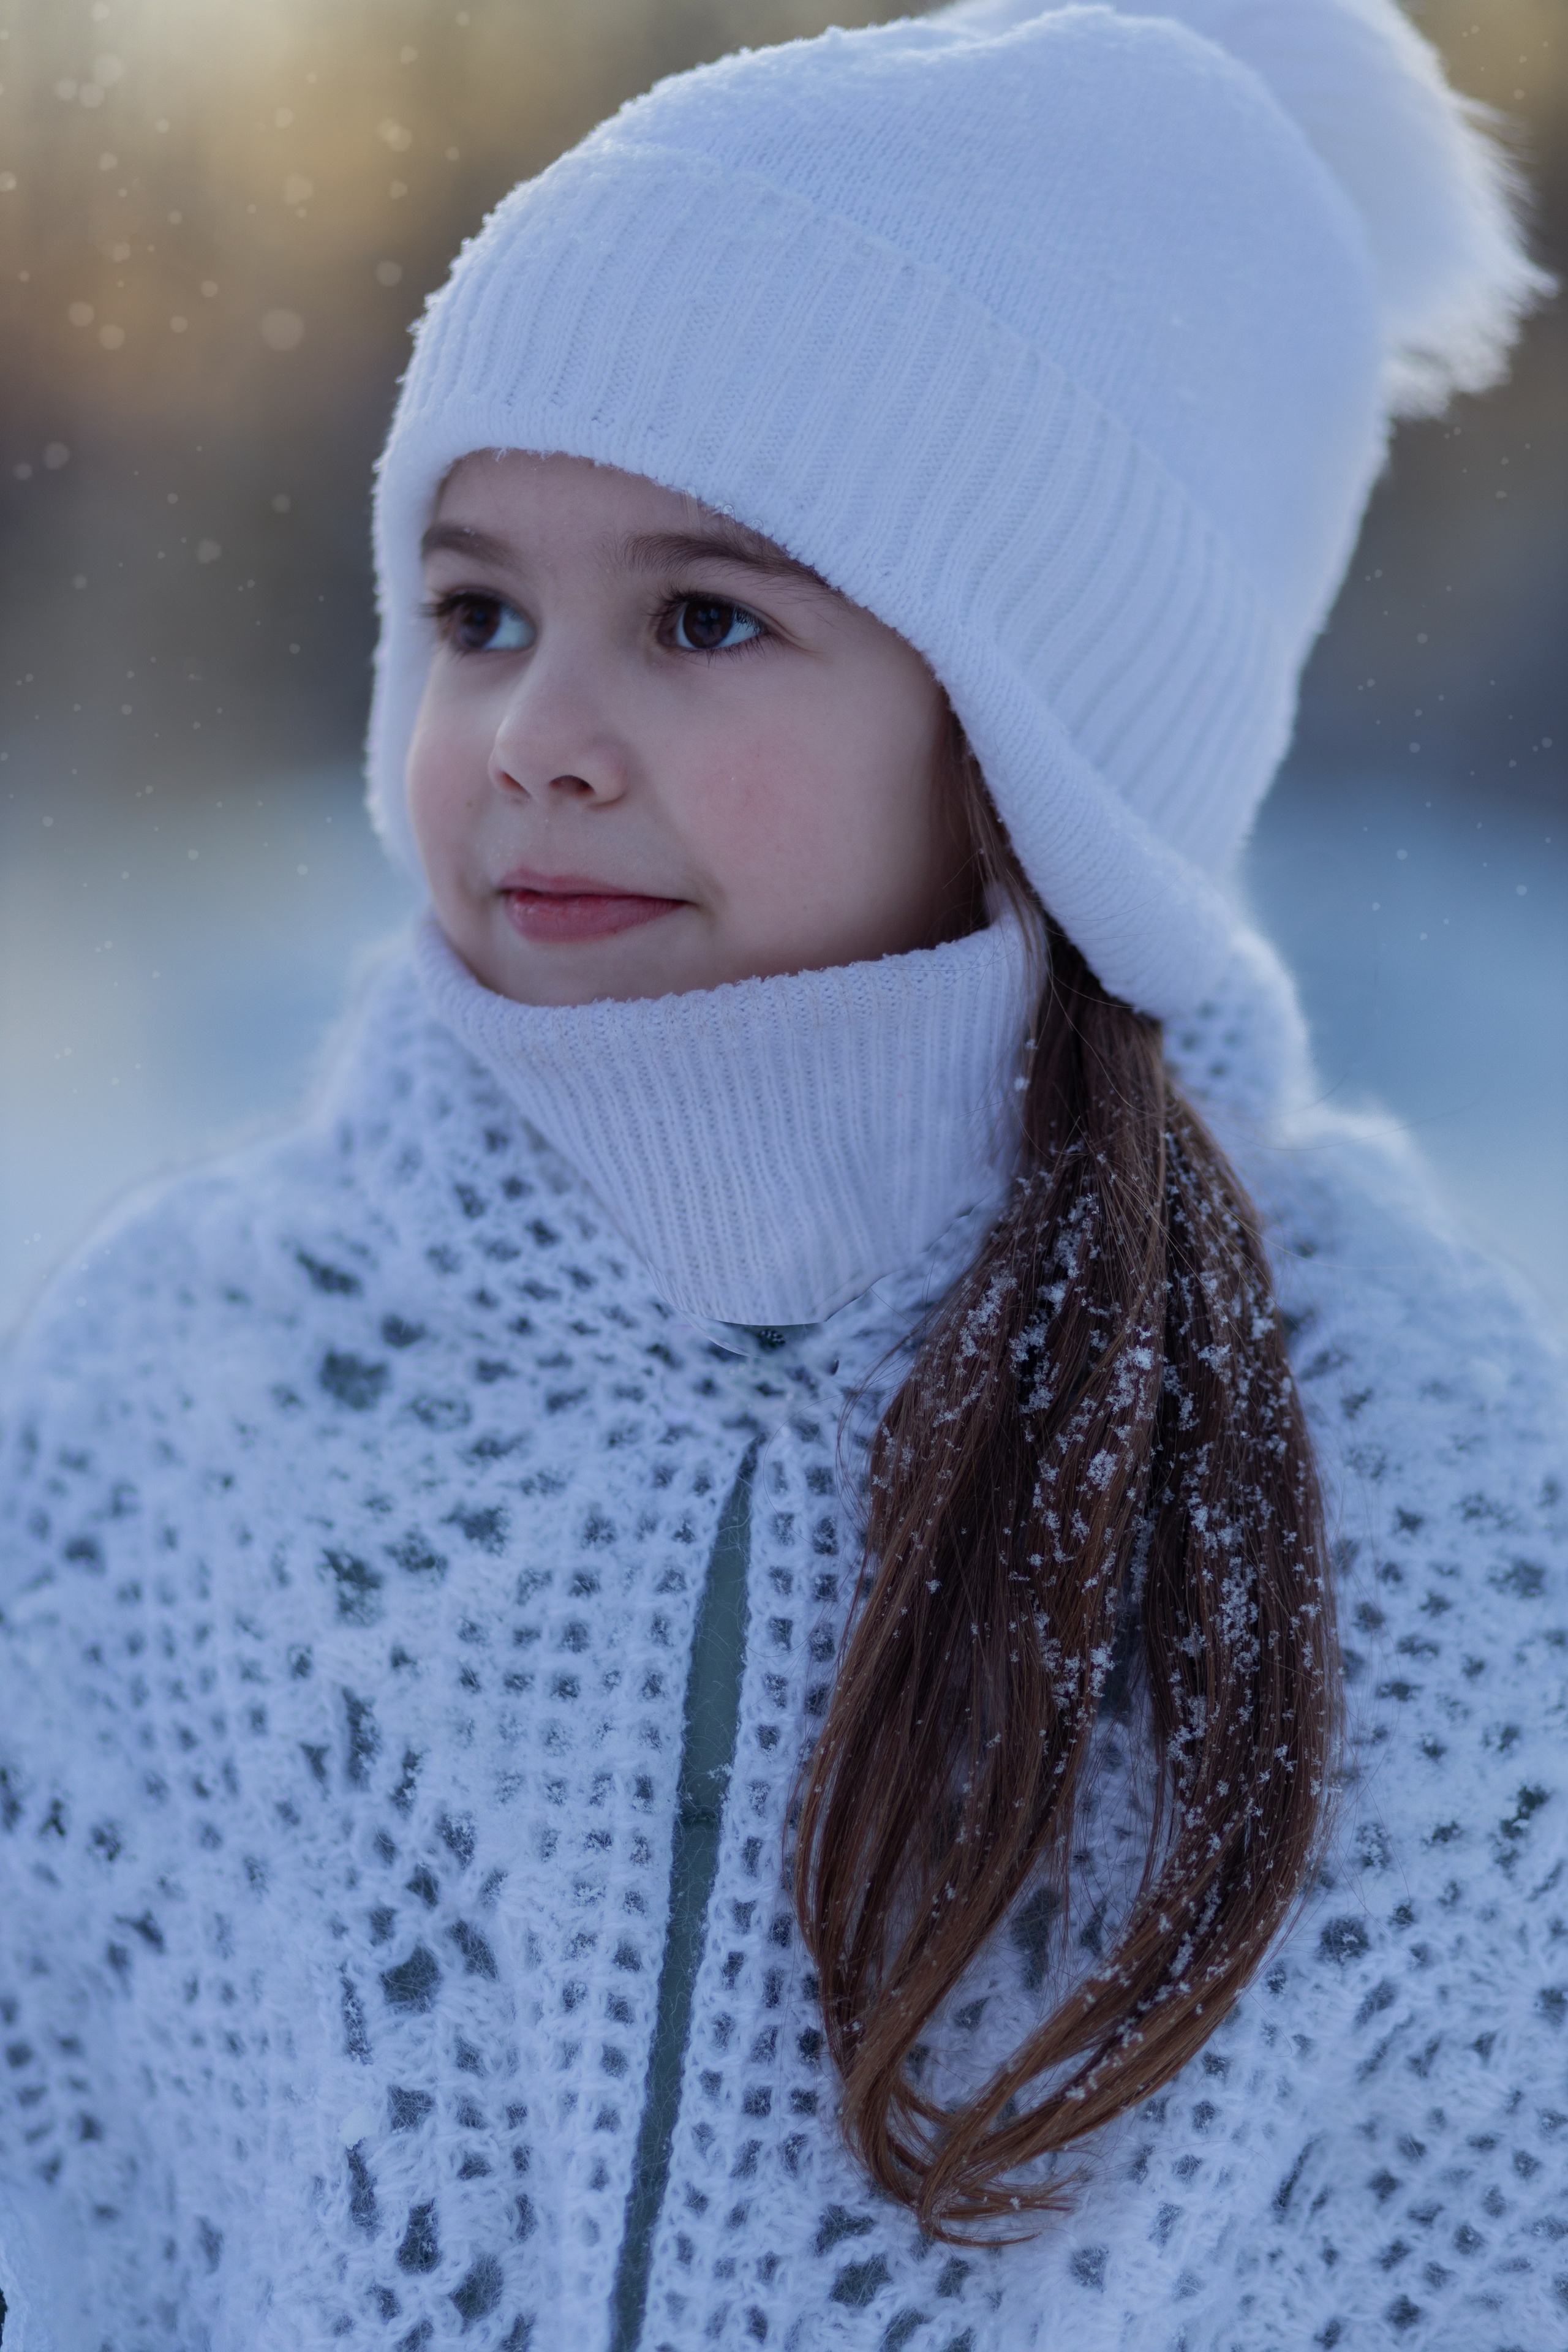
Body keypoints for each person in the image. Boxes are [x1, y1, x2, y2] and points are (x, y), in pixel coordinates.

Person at [1, 1, 1562, 2345]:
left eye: (706, 616)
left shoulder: (1410, 1468)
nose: (533, 737)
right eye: (477, 611)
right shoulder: (194, 1381)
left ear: (1042, 736)